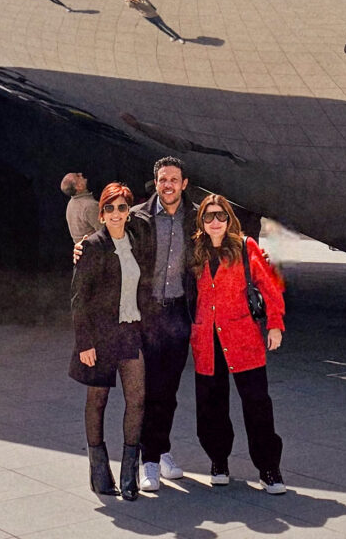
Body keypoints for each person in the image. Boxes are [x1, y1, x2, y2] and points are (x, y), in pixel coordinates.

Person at [190, 194, 287, 494]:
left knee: (257, 404)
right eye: (208, 216)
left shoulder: (246, 247)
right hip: (207, 339)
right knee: (211, 406)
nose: (215, 222)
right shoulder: (195, 252)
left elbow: (270, 285)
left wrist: (275, 324)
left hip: (243, 336)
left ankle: (268, 468)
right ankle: (218, 460)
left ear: (229, 219)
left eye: (220, 215)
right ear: (201, 222)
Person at [69, 183, 153, 501]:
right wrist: (84, 343)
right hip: (100, 335)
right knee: (98, 400)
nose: (116, 213)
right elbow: (79, 299)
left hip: (130, 332)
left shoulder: (136, 242)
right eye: (110, 208)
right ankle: (99, 471)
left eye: (122, 207)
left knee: (137, 399)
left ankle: (129, 474)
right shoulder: (92, 246)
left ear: (128, 211)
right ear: (101, 213)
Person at [130, 157, 199, 491]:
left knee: (169, 389)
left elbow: (224, 240)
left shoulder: (196, 217)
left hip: (179, 313)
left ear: (183, 184)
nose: (168, 185)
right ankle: (149, 460)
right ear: (155, 183)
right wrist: (83, 247)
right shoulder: (138, 217)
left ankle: (162, 449)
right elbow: (111, 245)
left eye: (174, 179)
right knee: (148, 389)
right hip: (148, 314)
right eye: (162, 179)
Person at [63, 171, 100, 242]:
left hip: (84, 247)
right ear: (79, 187)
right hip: (95, 247)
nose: (81, 174)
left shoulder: (71, 203)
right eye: (78, 176)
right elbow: (108, 231)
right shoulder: (89, 206)